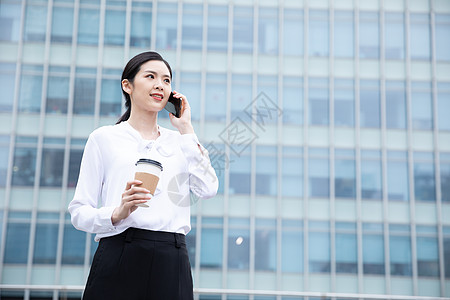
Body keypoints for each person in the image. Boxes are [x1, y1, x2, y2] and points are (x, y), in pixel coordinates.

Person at [68, 51, 218, 300]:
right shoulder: (104, 138)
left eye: (167, 80)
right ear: (127, 85)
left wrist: (187, 130)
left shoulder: (182, 141)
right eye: (151, 77)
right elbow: (79, 211)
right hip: (120, 250)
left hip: (172, 256)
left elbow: (209, 188)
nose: (160, 85)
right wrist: (116, 213)